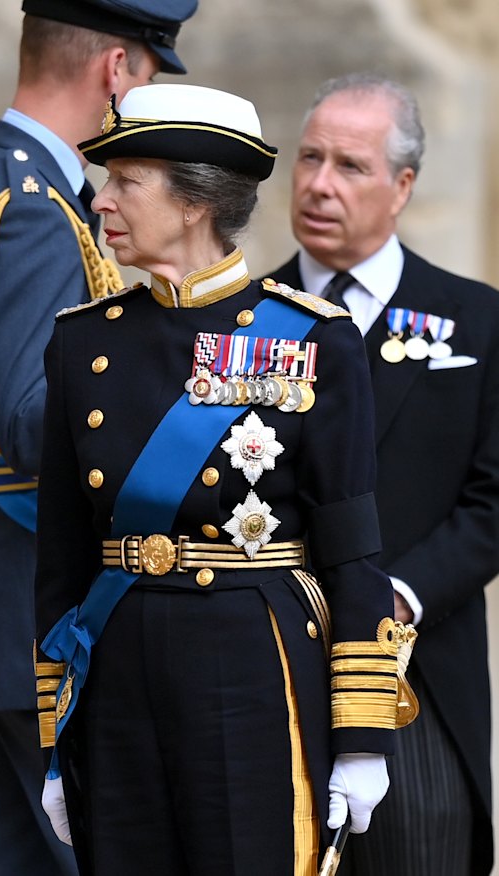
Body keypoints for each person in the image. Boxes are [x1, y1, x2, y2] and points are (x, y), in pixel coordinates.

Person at [32, 81, 409, 876]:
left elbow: (352, 554)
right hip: (116, 672)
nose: (101, 201)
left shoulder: (312, 340)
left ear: (194, 201)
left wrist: (361, 739)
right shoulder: (81, 343)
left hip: (251, 667)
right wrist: (54, 741)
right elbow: (61, 560)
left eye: (126, 181)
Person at [0, 2, 197, 874]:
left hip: (22, 616)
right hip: (45, 618)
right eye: (145, 76)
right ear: (115, 70)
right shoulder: (28, 207)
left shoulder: (26, 191)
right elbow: (32, 420)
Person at [264, 71, 499, 876]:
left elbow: (492, 502)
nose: (320, 184)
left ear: (402, 186)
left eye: (350, 166)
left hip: (416, 679)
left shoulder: (477, 320)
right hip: (271, 674)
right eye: (310, 158)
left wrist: (394, 600)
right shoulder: (245, 321)